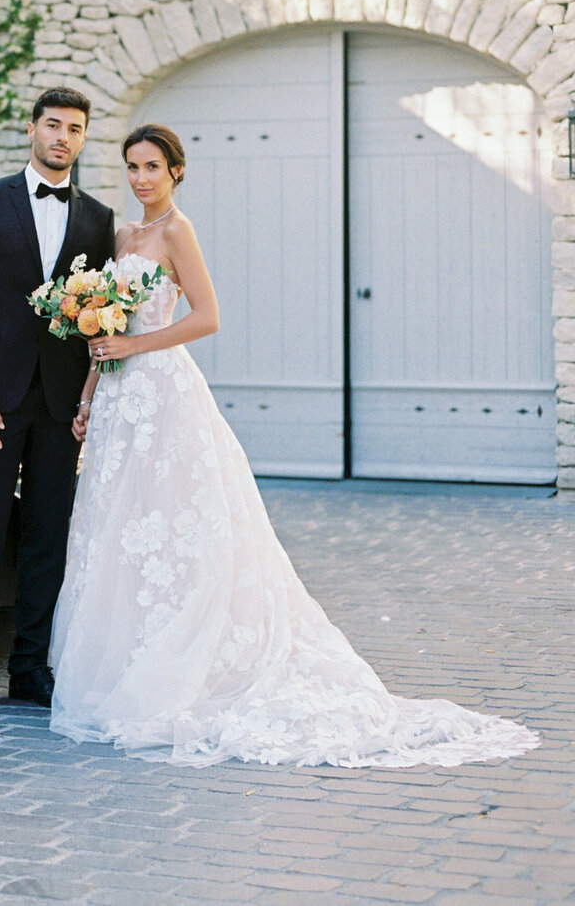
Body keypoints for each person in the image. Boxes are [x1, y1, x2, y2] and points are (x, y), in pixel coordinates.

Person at [49, 121, 538, 767]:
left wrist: (134, 345)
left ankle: (181, 666)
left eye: (153, 167)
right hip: (117, 401)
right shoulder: (120, 235)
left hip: (164, 392)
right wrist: (87, 397)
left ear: (176, 172)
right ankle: (121, 660)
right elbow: (101, 326)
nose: (141, 178)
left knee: (172, 529)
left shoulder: (176, 231)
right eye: (133, 166)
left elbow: (206, 314)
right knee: (121, 530)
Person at [0, 87, 116, 719]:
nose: (62, 137)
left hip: (61, 402)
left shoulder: (98, 218)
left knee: (47, 533)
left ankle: (29, 668)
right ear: (32, 130)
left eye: (74, 128)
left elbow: (100, 319)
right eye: (52, 125)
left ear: (84, 138)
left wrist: (91, 397)